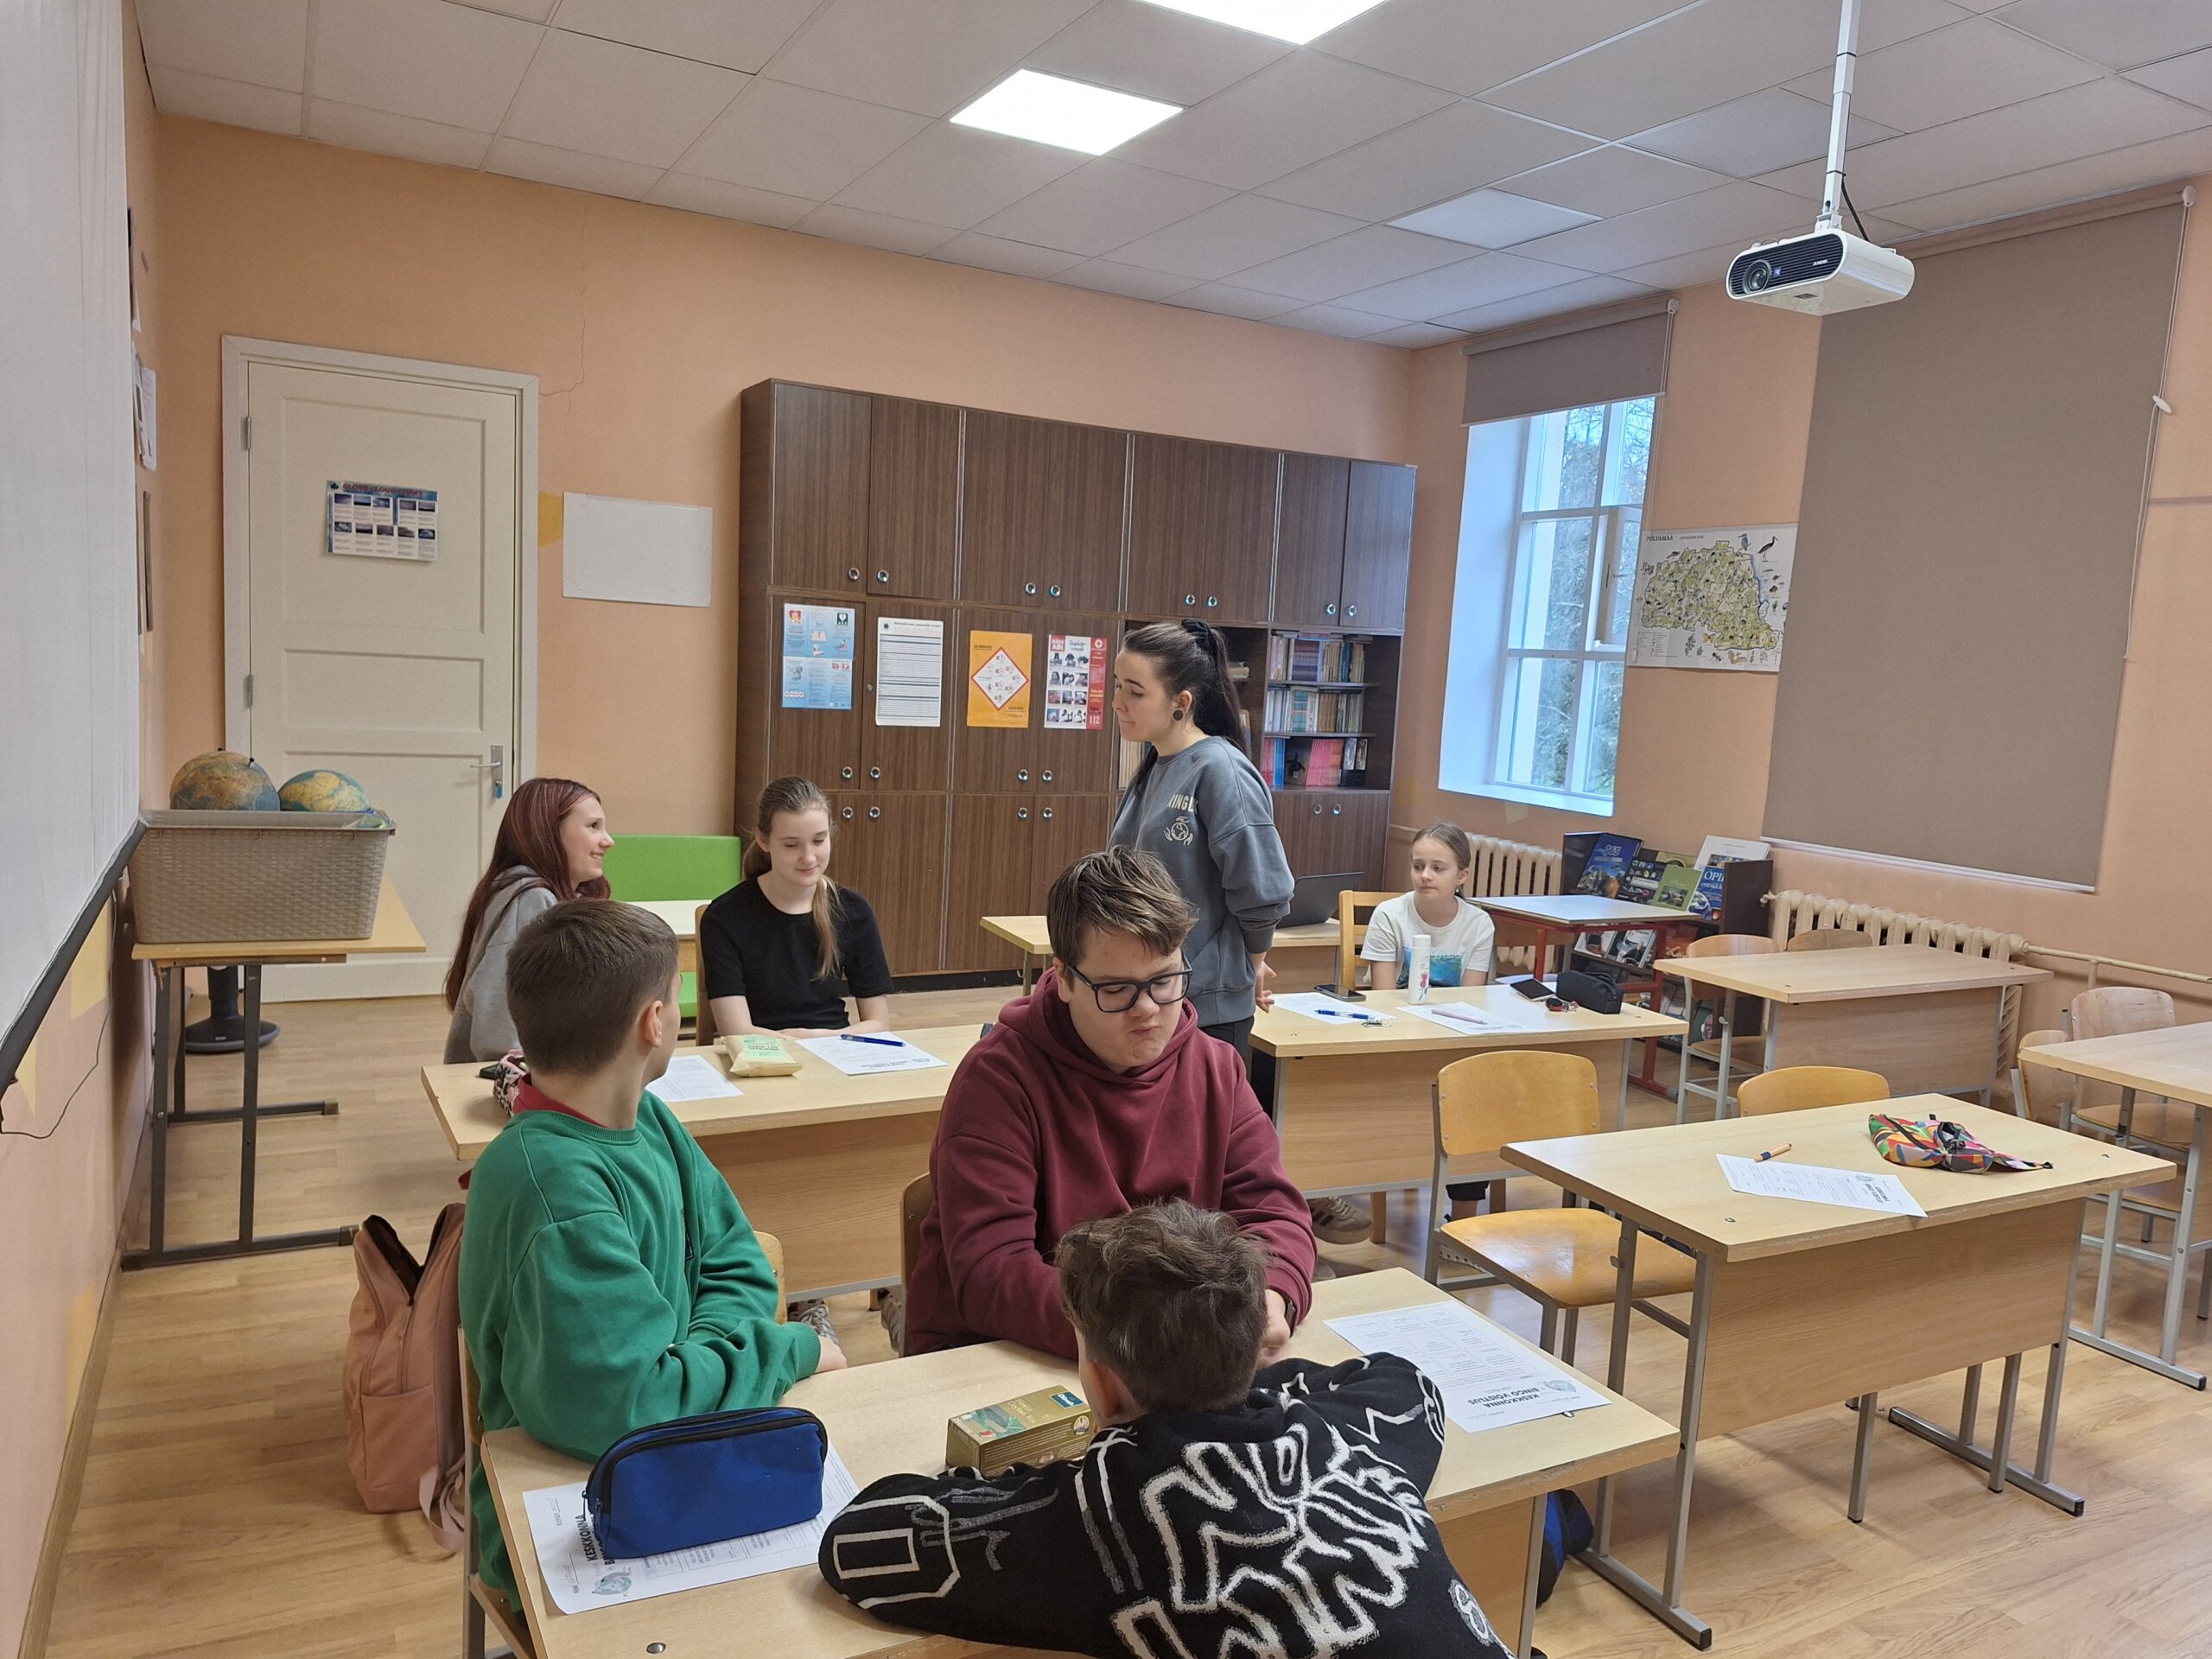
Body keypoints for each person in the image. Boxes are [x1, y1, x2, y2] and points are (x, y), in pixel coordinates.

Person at [820, 1200, 1515, 1659]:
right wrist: (1239, 1391)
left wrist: (1024, 1479)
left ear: (1103, 1383)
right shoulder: (1340, 1437)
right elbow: (1403, 1379)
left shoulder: (1108, 1508)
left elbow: (858, 1542)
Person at [458, 899, 842, 1609]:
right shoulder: (555, 1188)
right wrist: (792, 1349)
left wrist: (694, 1362)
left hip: (673, 1447)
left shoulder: (646, 1116)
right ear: (653, 1022)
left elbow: (736, 1260)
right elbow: (639, 1406)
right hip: (568, 1504)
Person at [901, 845, 1314, 1360]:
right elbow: (993, 1272)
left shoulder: (1216, 1068)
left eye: (1164, 980)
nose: (1147, 1010)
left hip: (1175, 1352)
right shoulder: (997, 1080)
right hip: (1008, 1352)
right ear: (1065, 978)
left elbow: (1273, 1213)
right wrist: (1157, 1338)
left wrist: (1272, 1297)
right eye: (1116, 989)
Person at [1110, 620, 1366, 1246]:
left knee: (1207, 1165)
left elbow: (1263, 886)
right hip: (1153, 995)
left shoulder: (1220, 769)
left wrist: (1253, 956)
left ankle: (1245, 1261)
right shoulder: (1156, 764)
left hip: (1204, 1000)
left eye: (1134, 691)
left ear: (1181, 702)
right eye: (1117, 686)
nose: (1118, 702)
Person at [700, 775, 893, 1039]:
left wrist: (817, 1040)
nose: (809, 857)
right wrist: (805, 1043)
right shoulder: (725, 917)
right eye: (791, 845)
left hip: (835, 1048)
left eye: (819, 840)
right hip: (763, 1052)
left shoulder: (853, 911)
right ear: (763, 840)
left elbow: (879, 1023)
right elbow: (736, 1031)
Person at [442, 777, 613, 1064]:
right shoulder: (531, 900)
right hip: (509, 1079)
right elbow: (500, 1030)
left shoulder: (529, 891)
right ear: (548, 833)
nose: (608, 841)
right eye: (593, 826)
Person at [1359, 822, 1496, 991]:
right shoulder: (1388, 915)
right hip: (1395, 1007)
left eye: (1437, 868)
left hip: (1452, 1009)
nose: (1425, 876)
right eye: (1418, 867)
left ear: (1461, 876)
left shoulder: (1479, 924)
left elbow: (1470, 997)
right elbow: (1383, 994)